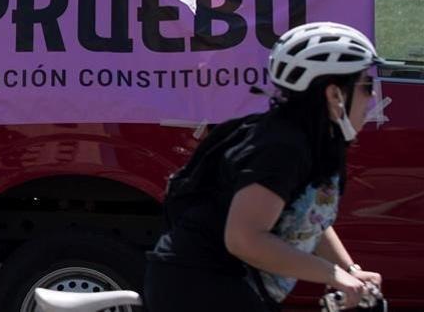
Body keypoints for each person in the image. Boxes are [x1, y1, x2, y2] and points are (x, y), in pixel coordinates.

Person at [145, 22, 387, 311]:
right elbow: (245, 240)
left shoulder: (317, 140)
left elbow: (310, 216)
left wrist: (348, 270)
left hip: (234, 285)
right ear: (334, 94)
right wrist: (332, 275)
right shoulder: (281, 148)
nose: (372, 96)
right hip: (199, 285)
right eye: (366, 85)